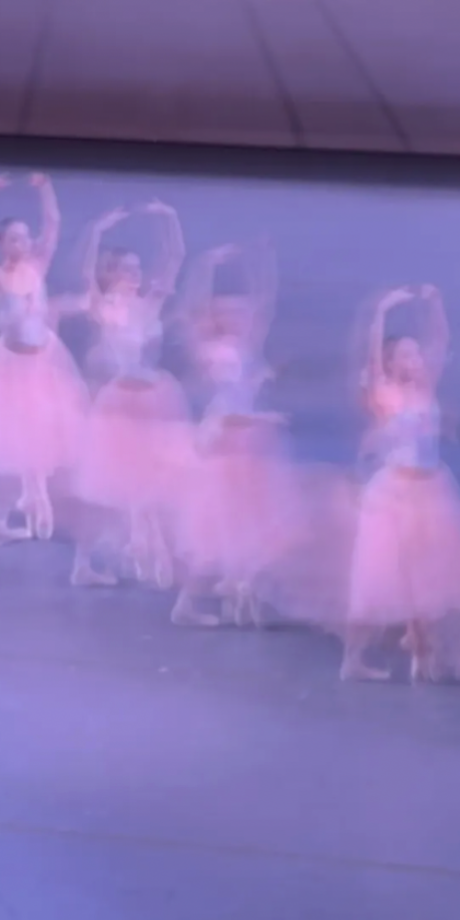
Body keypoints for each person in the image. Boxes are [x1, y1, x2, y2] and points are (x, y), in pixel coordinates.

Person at [341, 285, 460, 683]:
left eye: (416, 353)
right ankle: (355, 657)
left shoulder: (426, 387)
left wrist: (435, 303)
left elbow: (442, 339)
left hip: (431, 489)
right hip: (395, 495)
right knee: (384, 580)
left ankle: (421, 645)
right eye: (406, 353)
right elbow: (370, 352)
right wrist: (382, 310)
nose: (416, 358)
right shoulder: (384, 394)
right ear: (390, 362)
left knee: (424, 576)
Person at [169, 241, 303, 626]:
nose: (243, 318)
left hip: (248, 442)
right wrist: (206, 267)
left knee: (248, 522)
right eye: (232, 313)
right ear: (218, 318)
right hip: (227, 439)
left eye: (243, 312)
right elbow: (230, 410)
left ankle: (238, 589)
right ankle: (189, 603)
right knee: (217, 527)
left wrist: (262, 261)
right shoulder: (213, 354)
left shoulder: (245, 347)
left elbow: (266, 305)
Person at [0, 173, 88, 544]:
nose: (23, 242)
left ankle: (34, 494)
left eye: (25, 236)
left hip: (43, 362)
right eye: (14, 237)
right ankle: (5, 517)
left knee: (39, 436)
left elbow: (54, 226)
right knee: (11, 444)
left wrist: (46, 189)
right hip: (9, 368)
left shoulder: (38, 267)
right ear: (1, 243)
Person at [64, 201, 189, 588]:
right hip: (117, 403)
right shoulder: (106, 308)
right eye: (128, 268)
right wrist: (98, 230)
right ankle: (85, 561)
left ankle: (145, 548)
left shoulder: (149, 304)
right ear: (113, 273)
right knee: (109, 486)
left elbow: (175, 257)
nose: (136, 274)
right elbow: (86, 271)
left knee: (149, 480)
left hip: (151, 398)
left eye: (138, 268)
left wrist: (170, 217)